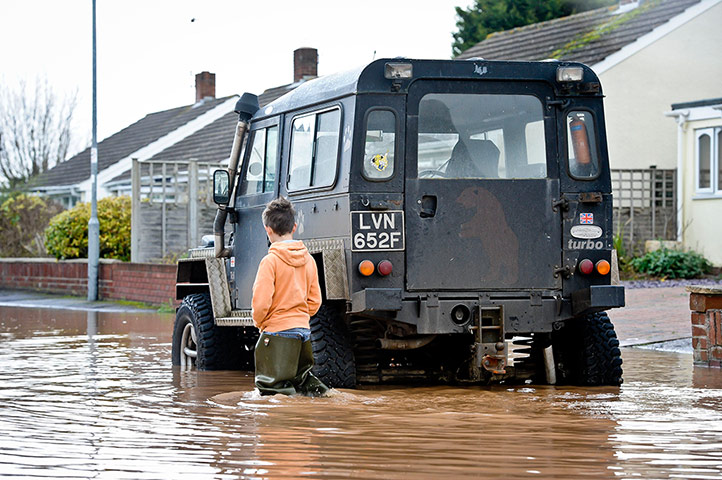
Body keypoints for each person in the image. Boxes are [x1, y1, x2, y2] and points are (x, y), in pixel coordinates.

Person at [251, 196, 329, 396]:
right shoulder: (309, 260)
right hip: (303, 333)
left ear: (268, 230)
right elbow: (315, 301)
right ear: (294, 227)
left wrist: (261, 324)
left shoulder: (270, 262)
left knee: (272, 392)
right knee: (306, 387)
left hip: (277, 332)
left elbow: (261, 304)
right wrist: (299, 317)